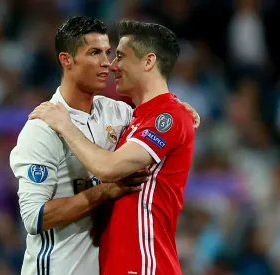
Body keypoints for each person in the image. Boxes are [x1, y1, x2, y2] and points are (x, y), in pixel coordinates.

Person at [29, 20, 200, 275]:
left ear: (148, 61)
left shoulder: (169, 116)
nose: (112, 66)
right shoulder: (136, 118)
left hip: (145, 265)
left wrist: (64, 124)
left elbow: (108, 168)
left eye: (119, 56)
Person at [9, 16, 148, 275]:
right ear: (66, 60)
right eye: (94, 53)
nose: (106, 63)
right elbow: (34, 218)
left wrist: (175, 110)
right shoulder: (43, 128)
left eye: (108, 53)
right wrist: (104, 192)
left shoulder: (118, 113)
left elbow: (155, 124)